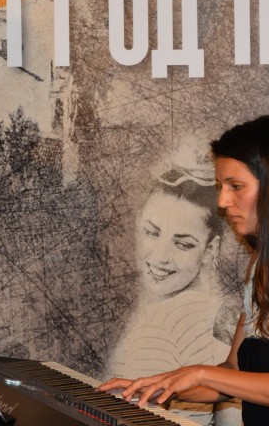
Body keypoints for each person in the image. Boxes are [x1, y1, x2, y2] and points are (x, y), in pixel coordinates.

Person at [100, 115, 269, 426]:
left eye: (236, 186)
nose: (223, 200)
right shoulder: (261, 263)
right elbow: (234, 372)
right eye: (221, 186)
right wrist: (153, 388)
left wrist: (201, 372)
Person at [107, 137, 229, 426]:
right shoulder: (215, 309)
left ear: (210, 250)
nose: (160, 257)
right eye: (152, 232)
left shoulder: (162, 327)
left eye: (183, 244)